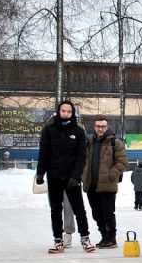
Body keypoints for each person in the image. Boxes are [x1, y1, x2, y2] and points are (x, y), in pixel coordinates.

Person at [36, 100, 96, 253]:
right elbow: (44, 153)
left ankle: (85, 238)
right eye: (63, 111)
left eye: (69, 111)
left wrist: (75, 176)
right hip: (54, 176)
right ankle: (58, 240)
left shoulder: (78, 131)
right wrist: (40, 173)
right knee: (55, 209)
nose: (66, 114)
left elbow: (81, 156)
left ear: (72, 113)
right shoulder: (49, 130)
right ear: (59, 111)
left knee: (79, 209)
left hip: (72, 178)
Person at [82, 117, 128, 249]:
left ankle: (111, 238)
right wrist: (83, 176)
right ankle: (104, 236)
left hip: (107, 185)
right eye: (98, 126)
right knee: (96, 213)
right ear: (94, 127)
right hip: (91, 184)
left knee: (108, 213)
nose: (100, 128)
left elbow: (122, 162)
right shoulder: (89, 142)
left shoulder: (115, 143)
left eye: (103, 126)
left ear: (107, 127)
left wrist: (110, 175)